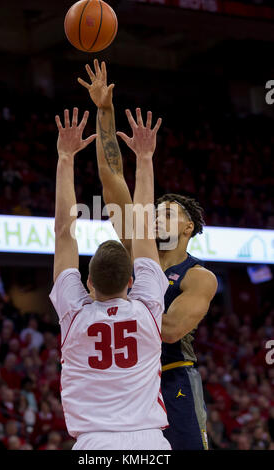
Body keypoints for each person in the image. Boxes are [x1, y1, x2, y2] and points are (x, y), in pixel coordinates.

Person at [78, 59, 218, 450]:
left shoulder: (199, 277)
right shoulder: (138, 249)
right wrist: (104, 112)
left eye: (169, 213)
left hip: (172, 377)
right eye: (155, 211)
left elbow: (171, 330)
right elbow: (111, 177)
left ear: (189, 228)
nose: (157, 216)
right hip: (127, 382)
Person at [49, 106, 171, 450]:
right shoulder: (148, 309)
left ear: (87, 283)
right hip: (152, 444)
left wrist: (65, 158)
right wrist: (146, 158)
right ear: (131, 282)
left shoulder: (74, 315)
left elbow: (63, 231)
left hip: (96, 444)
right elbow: (144, 228)